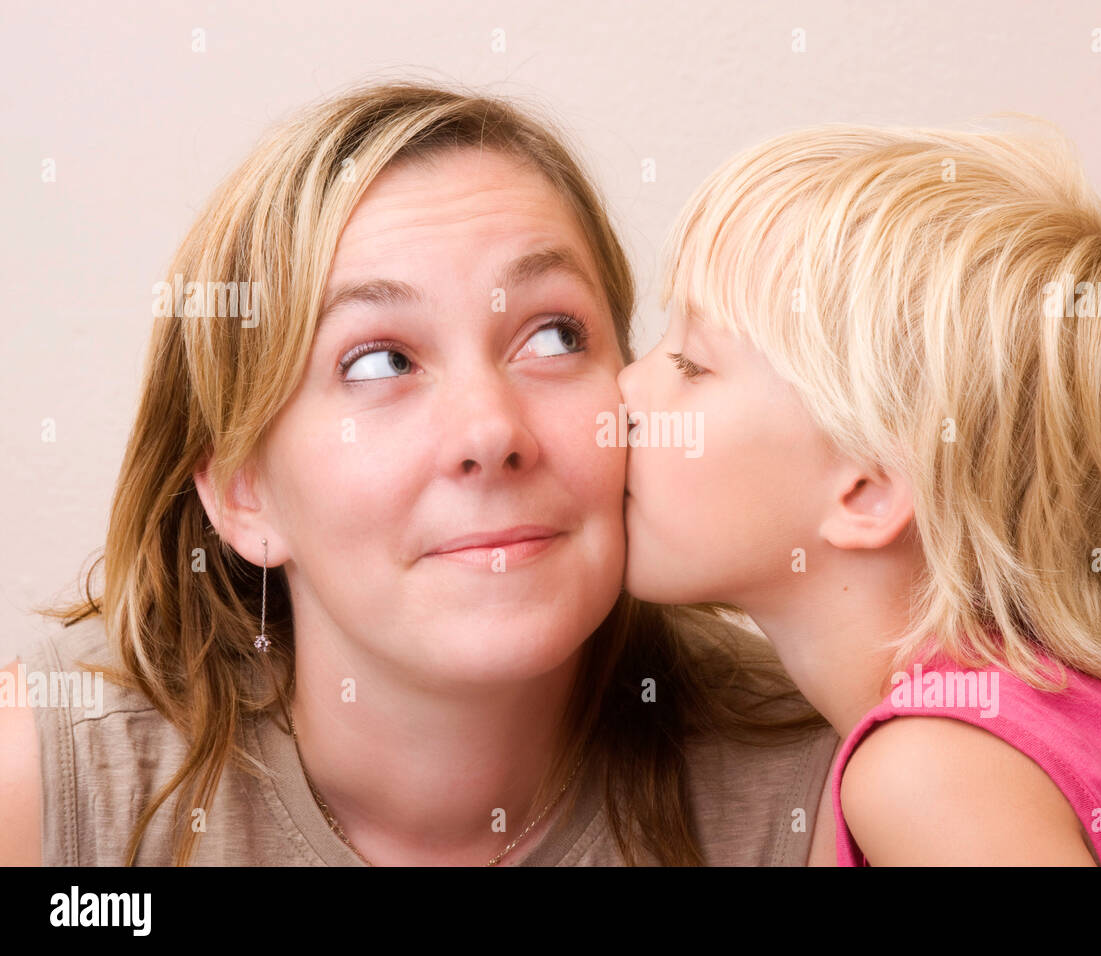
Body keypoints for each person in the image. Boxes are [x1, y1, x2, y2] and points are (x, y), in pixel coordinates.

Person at [0, 80, 839, 867]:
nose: (490, 432)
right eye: (379, 362)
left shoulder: (825, 790)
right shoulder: (46, 783)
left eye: (553, 337)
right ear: (242, 492)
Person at [616, 121, 1101, 866]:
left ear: (866, 490)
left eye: (691, 364)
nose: (626, 386)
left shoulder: (929, 773)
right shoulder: (1057, 709)